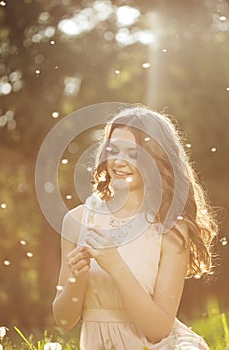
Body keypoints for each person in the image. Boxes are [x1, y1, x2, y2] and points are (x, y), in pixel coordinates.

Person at [52, 105, 217, 349]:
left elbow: (157, 331)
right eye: (113, 149)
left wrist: (116, 266)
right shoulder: (78, 221)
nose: (118, 161)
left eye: (133, 153)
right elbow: (64, 320)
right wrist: (78, 276)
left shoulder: (171, 229)